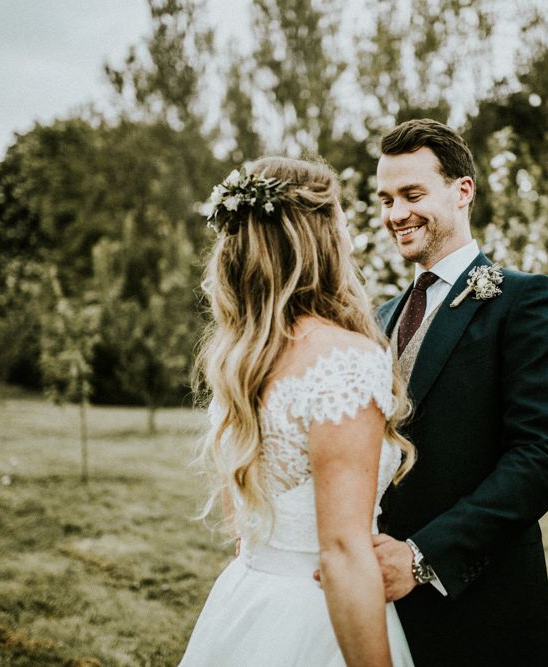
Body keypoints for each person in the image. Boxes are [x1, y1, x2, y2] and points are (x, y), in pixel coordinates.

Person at [179, 157, 415, 666]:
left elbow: (238, 512)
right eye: (344, 225)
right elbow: (343, 552)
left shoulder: (242, 358)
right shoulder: (344, 360)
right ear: (321, 240)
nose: (350, 242)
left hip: (248, 597)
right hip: (319, 617)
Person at [372, 118, 548, 666]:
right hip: (377, 606)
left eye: (412, 194)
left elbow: (542, 458)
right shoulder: (380, 317)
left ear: (462, 191)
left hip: (479, 602)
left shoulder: (525, 301)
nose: (396, 214)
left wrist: (419, 558)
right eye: (386, 199)